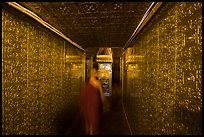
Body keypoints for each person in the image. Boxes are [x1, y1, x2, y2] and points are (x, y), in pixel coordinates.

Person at [79, 66, 109, 135]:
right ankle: (91, 131)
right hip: (94, 103)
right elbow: (102, 95)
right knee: (93, 117)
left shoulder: (87, 83)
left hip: (90, 103)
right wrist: (105, 103)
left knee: (89, 117)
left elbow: (83, 95)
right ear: (95, 74)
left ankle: (89, 130)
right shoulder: (97, 83)